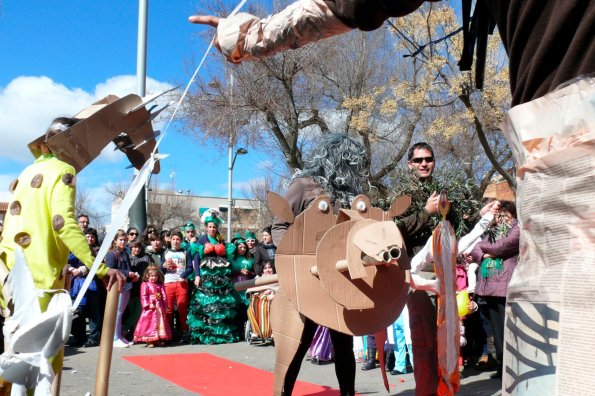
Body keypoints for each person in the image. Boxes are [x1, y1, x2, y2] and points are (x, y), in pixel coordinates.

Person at [0, 117, 124, 391]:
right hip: (38, 278)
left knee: (19, 354)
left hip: (10, 275)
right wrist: (100, 268)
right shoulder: (63, 170)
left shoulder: (25, 172)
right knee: (39, 363)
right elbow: (63, 223)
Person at [271, 133, 370, 396]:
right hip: (307, 282)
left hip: (339, 281)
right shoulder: (304, 186)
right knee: (298, 342)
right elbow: (280, 223)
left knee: (344, 345)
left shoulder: (352, 195)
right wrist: (292, 262)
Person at [471, 201, 519, 380]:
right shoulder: (492, 231)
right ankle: (502, 365)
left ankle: (512, 367)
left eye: (506, 215)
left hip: (504, 287)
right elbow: (475, 249)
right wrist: (485, 254)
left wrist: (487, 250)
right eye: (499, 216)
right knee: (495, 332)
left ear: (513, 216)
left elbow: (504, 245)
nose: (501, 219)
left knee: (507, 329)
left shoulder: (517, 229)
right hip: (489, 288)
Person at [187, 209, 239, 344]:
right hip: (206, 277)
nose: (213, 229)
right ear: (206, 227)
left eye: (214, 227)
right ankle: (208, 334)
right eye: (210, 227)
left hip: (220, 278)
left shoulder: (220, 239)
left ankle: (220, 334)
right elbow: (197, 259)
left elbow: (226, 256)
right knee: (208, 303)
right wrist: (197, 276)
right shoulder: (201, 240)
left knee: (219, 304)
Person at [67, 227, 103, 348]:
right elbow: (67, 262)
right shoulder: (75, 248)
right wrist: (72, 269)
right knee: (78, 312)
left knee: (93, 312)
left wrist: (82, 270)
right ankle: (79, 337)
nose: (90, 239)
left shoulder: (98, 250)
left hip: (92, 284)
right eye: (87, 236)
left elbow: (99, 264)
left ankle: (93, 338)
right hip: (76, 285)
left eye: (92, 237)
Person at [161, 231, 198, 343]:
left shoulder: (185, 252)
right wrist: (163, 266)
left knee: (182, 309)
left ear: (181, 241)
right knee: (168, 310)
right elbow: (161, 268)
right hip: (169, 283)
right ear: (170, 240)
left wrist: (183, 276)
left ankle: (184, 333)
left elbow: (190, 268)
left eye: (178, 239)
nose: (175, 241)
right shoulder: (166, 252)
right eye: (173, 239)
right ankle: (167, 333)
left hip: (182, 283)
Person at [105, 229, 137, 348]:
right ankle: (114, 338)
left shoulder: (125, 253)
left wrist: (131, 276)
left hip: (126, 285)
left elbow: (126, 269)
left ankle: (119, 336)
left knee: (120, 313)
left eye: (124, 240)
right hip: (116, 287)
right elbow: (110, 270)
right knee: (117, 313)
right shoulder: (112, 254)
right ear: (115, 241)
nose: (123, 242)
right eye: (121, 240)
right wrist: (128, 274)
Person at [133, 264, 172, 348]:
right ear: (147, 276)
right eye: (152, 276)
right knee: (149, 323)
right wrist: (147, 304)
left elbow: (164, 296)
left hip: (159, 307)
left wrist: (165, 306)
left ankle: (157, 339)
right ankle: (149, 340)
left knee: (159, 322)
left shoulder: (160, 285)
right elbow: (143, 296)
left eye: (155, 276)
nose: (153, 278)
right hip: (150, 308)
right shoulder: (145, 284)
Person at [124, 239, 153, 342]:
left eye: (138, 247)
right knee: (131, 311)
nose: (136, 249)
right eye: (134, 247)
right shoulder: (127, 257)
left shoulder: (146, 258)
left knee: (139, 312)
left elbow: (151, 270)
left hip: (142, 289)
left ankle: (126, 329)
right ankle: (132, 334)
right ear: (131, 248)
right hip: (130, 288)